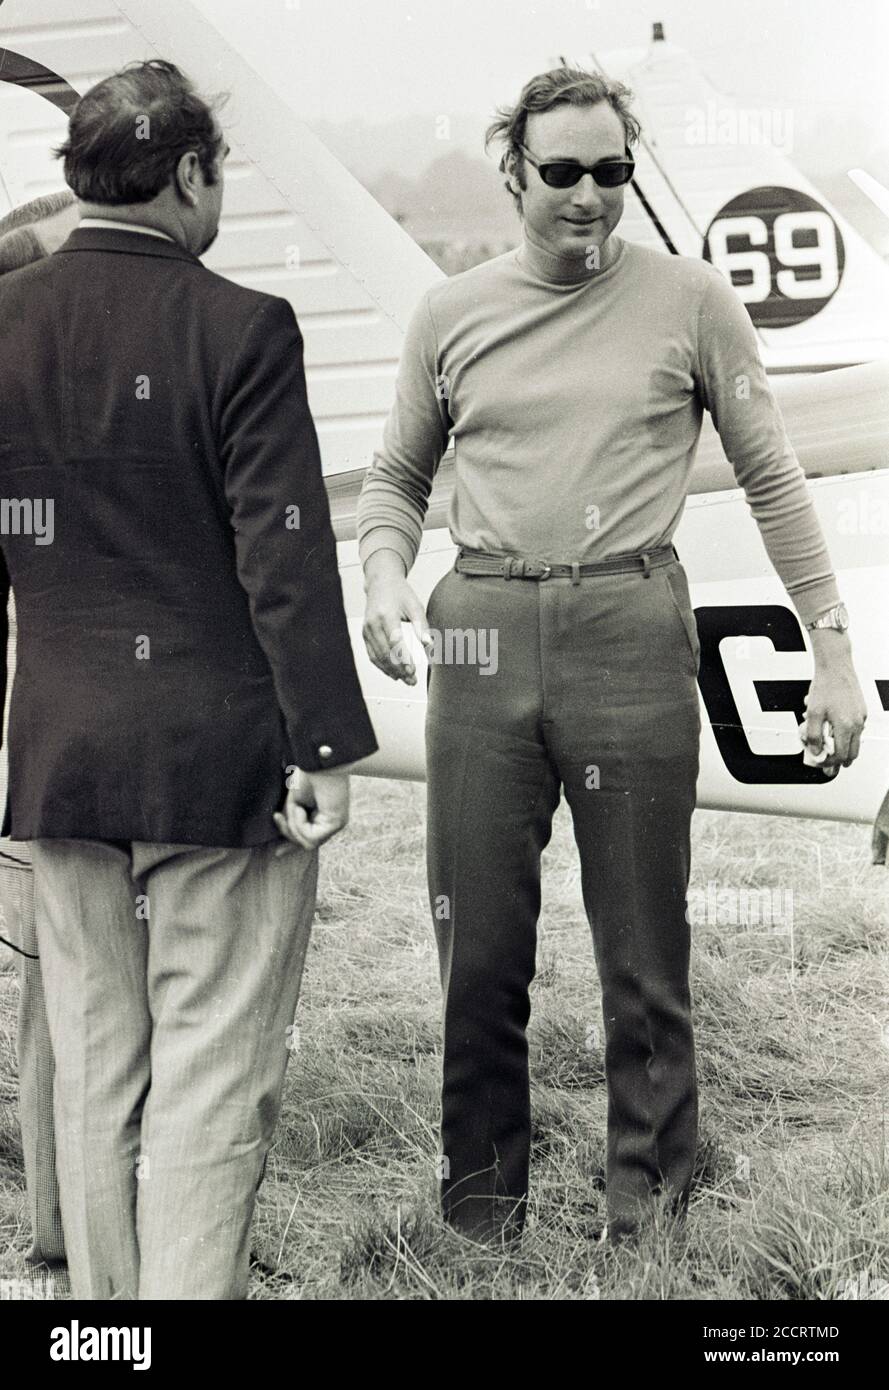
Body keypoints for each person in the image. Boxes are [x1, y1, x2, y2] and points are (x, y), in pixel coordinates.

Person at [357, 63, 867, 1244]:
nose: (589, 196)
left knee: (643, 955)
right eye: (563, 173)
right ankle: (481, 1217)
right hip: (481, 635)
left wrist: (829, 648)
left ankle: (650, 1217)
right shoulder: (450, 314)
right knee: (478, 953)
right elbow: (395, 478)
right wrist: (386, 577)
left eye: (612, 172)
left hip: (631, 629)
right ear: (511, 172)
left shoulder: (692, 299)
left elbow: (775, 479)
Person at [0, 58, 377, 1299]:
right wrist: (323, 744)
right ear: (193, 175)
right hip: (218, 765)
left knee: (98, 1060)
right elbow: (282, 548)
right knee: (211, 1071)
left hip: (60, 756)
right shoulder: (242, 325)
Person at [0, 189, 80, 1280]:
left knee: (55, 995)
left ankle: (60, 1229)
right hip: (48, 748)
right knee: (64, 992)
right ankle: (63, 1233)